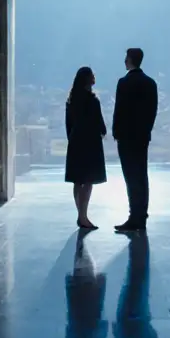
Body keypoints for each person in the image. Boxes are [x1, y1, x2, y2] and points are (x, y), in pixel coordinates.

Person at [111, 48, 158, 232]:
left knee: (130, 177)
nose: (124, 61)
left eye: (126, 58)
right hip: (142, 137)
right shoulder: (150, 83)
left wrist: (116, 131)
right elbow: (152, 111)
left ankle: (134, 216)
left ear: (130, 60)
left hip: (126, 137)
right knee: (141, 175)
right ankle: (142, 215)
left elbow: (119, 109)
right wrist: (146, 131)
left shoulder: (123, 83)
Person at [65, 66, 107, 229]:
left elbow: (68, 124)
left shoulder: (71, 100)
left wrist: (72, 138)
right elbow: (99, 123)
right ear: (88, 79)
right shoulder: (93, 100)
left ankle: (80, 214)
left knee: (77, 180)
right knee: (88, 180)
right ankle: (83, 216)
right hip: (91, 142)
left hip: (76, 141)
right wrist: (103, 132)